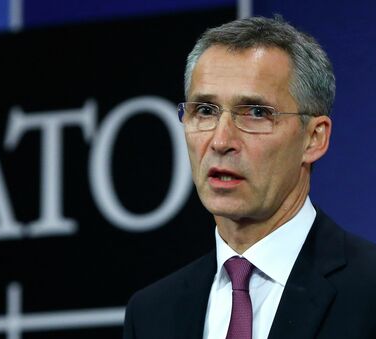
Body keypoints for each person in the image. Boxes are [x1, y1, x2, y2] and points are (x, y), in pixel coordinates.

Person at [123, 16, 376, 339]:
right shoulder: (151, 314)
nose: (220, 141)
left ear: (314, 138)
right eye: (204, 110)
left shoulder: (368, 290)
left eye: (256, 113)